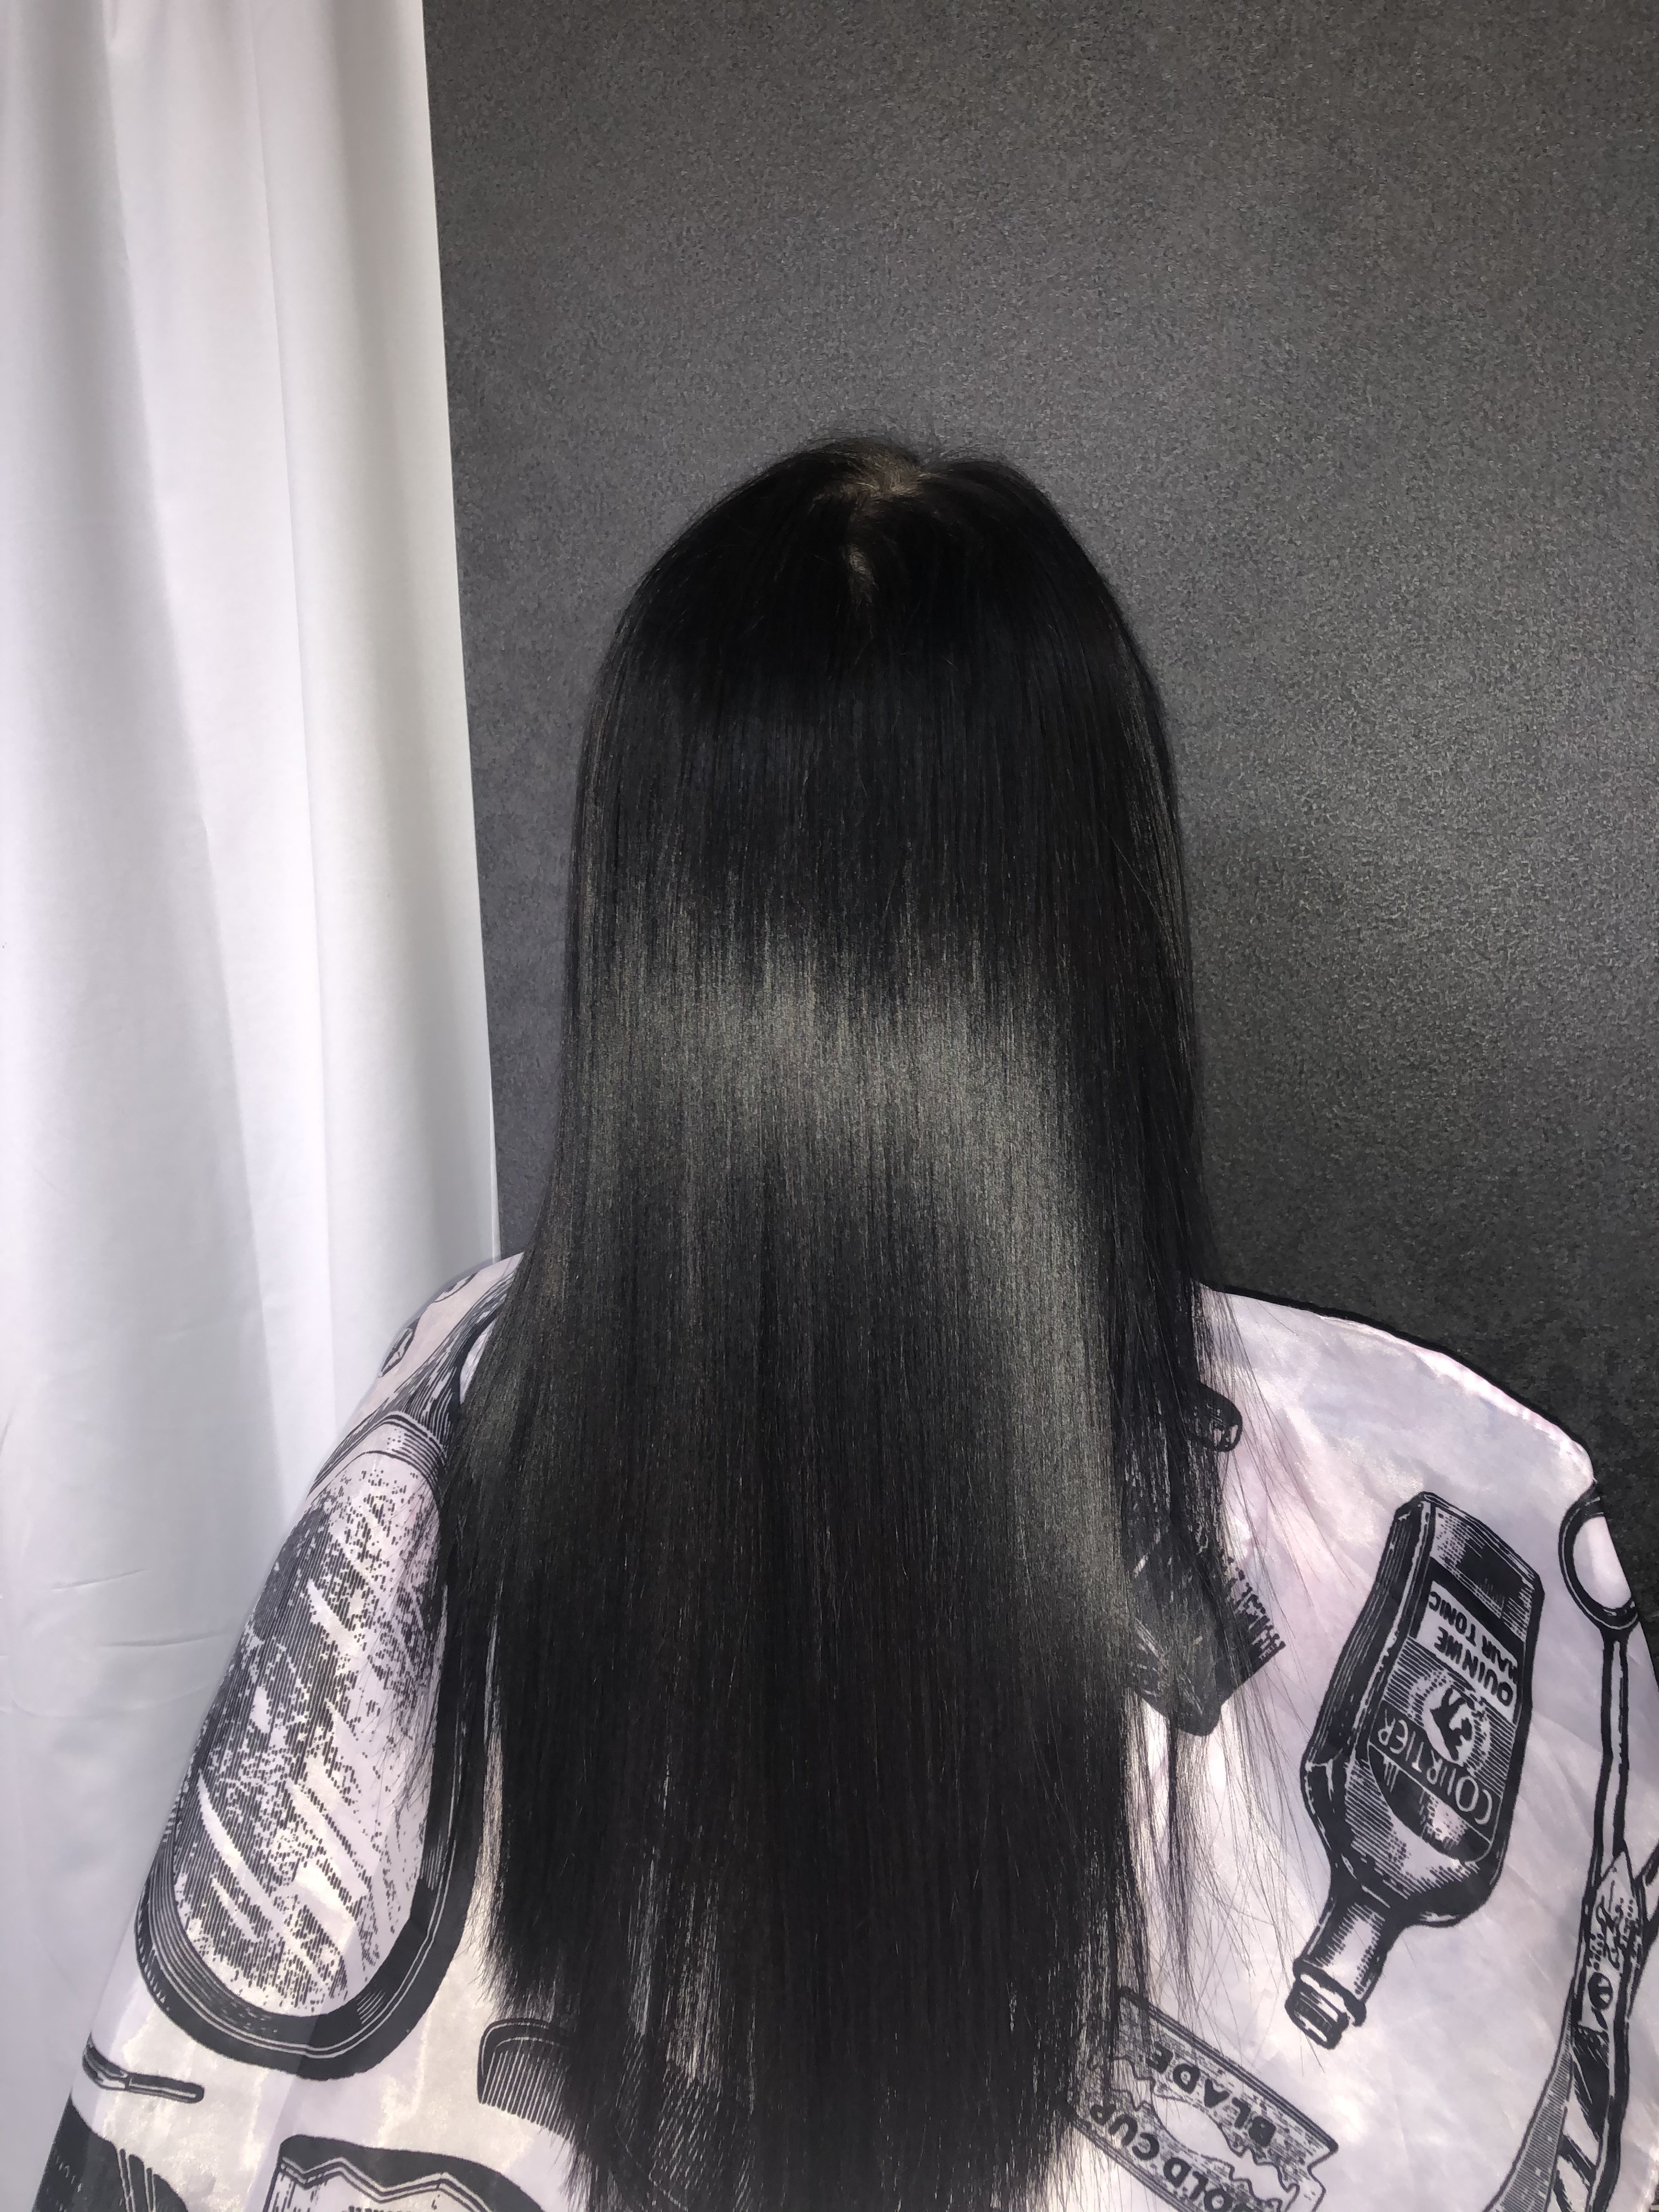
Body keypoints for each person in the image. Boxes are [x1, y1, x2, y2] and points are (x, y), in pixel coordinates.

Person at [36, 442, 1659, 2212]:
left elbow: (183, 2126)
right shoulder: (1440, 1495)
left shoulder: (463, 1410)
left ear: (650, 932)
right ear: (1099, 930)